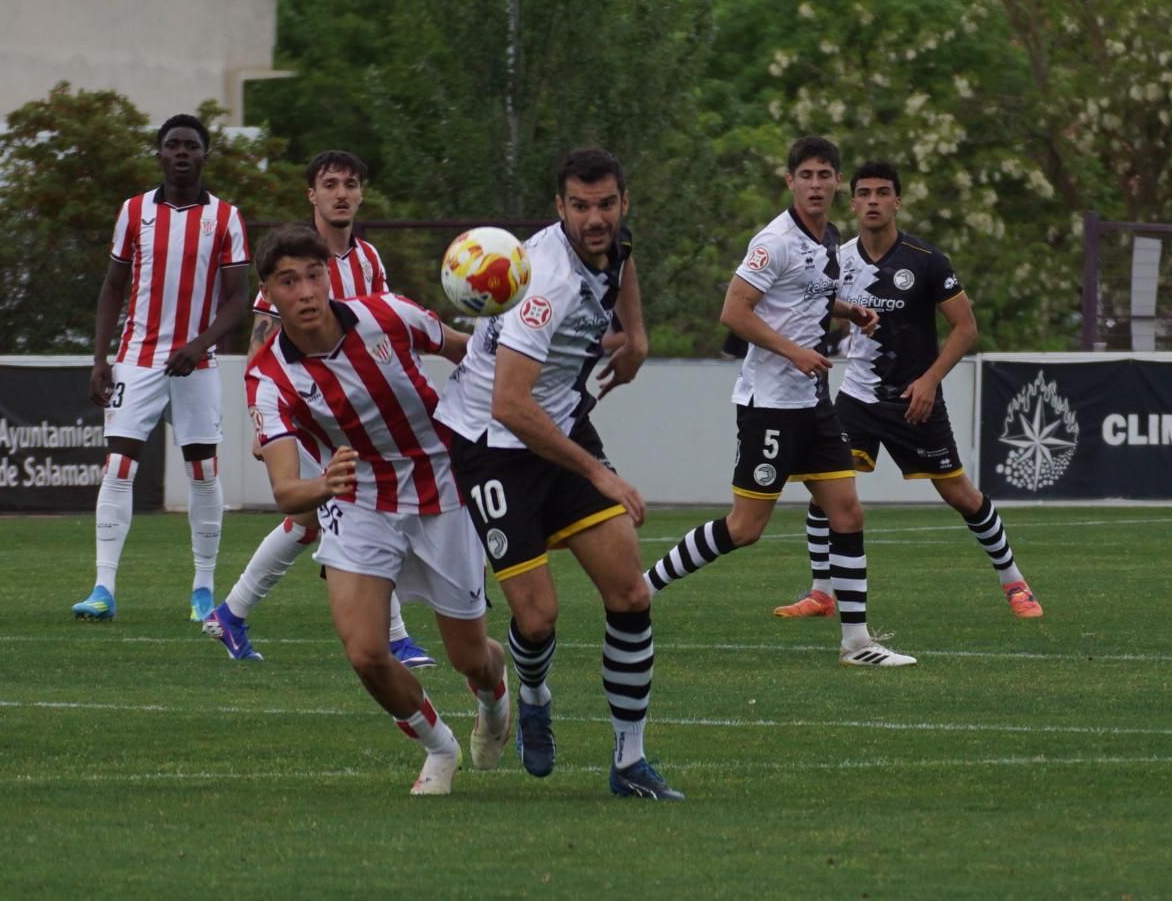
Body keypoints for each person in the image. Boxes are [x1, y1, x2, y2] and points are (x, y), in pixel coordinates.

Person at [436, 148, 680, 801]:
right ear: (559, 207)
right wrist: (600, 474)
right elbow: (509, 404)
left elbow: (622, 264)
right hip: (493, 444)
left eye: (606, 204)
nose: (595, 218)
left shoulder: (613, 242)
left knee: (629, 591)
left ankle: (630, 762)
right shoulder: (543, 284)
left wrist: (637, 334)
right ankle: (535, 695)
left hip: (560, 421)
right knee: (538, 616)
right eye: (580, 206)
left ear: (623, 202)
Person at [246, 224, 510, 795]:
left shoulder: (389, 315)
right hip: (359, 498)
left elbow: (464, 349)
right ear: (269, 291)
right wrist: (325, 483)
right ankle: (440, 750)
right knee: (366, 652)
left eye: (315, 275)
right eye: (289, 282)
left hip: (442, 486)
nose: (307, 292)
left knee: (470, 656)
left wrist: (516, 356)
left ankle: (495, 697)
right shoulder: (269, 377)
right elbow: (287, 492)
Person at [642, 136, 917, 667]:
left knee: (847, 511)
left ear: (838, 183)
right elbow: (735, 312)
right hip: (769, 403)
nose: (816, 184)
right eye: (806, 175)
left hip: (811, 403)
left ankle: (856, 643)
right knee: (745, 529)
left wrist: (849, 311)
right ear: (789, 181)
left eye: (825, 175)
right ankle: (644, 587)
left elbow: (802, 294)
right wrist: (794, 352)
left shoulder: (828, 237)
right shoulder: (774, 241)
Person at [773, 161, 1041, 620]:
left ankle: (1015, 582)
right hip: (857, 397)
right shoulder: (838, 258)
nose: (873, 201)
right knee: (825, 490)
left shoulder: (927, 260)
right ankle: (821, 593)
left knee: (960, 494)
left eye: (882, 192)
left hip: (914, 399)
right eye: (864, 193)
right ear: (852, 201)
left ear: (897, 201)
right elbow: (817, 307)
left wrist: (931, 380)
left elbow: (965, 327)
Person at [203, 151, 436, 667]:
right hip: (310, 415)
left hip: (360, 415)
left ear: (361, 194)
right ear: (312, 194)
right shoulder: (292, 261)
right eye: (330, 184)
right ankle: (395, 637)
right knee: (361, 509)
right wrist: (267, 427)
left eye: (350, 184)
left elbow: (384, 330)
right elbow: (263, 346)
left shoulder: (370, 260)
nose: (341, 193)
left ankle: (232, 613)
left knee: (311, 520)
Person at [74, 115, 248, 622]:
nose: (180, 153)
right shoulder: (133, 212)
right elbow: (111, 287)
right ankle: (103, 588)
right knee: (119, 466)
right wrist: (99, 358)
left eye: (190, 145)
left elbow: (238, 298)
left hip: (198, 364)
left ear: (204, 155)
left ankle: (201, 588)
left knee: (203, 471)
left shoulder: (225, 218)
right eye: (171, 145)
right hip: (136, 359)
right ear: (159, 154)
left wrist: (200, 344)